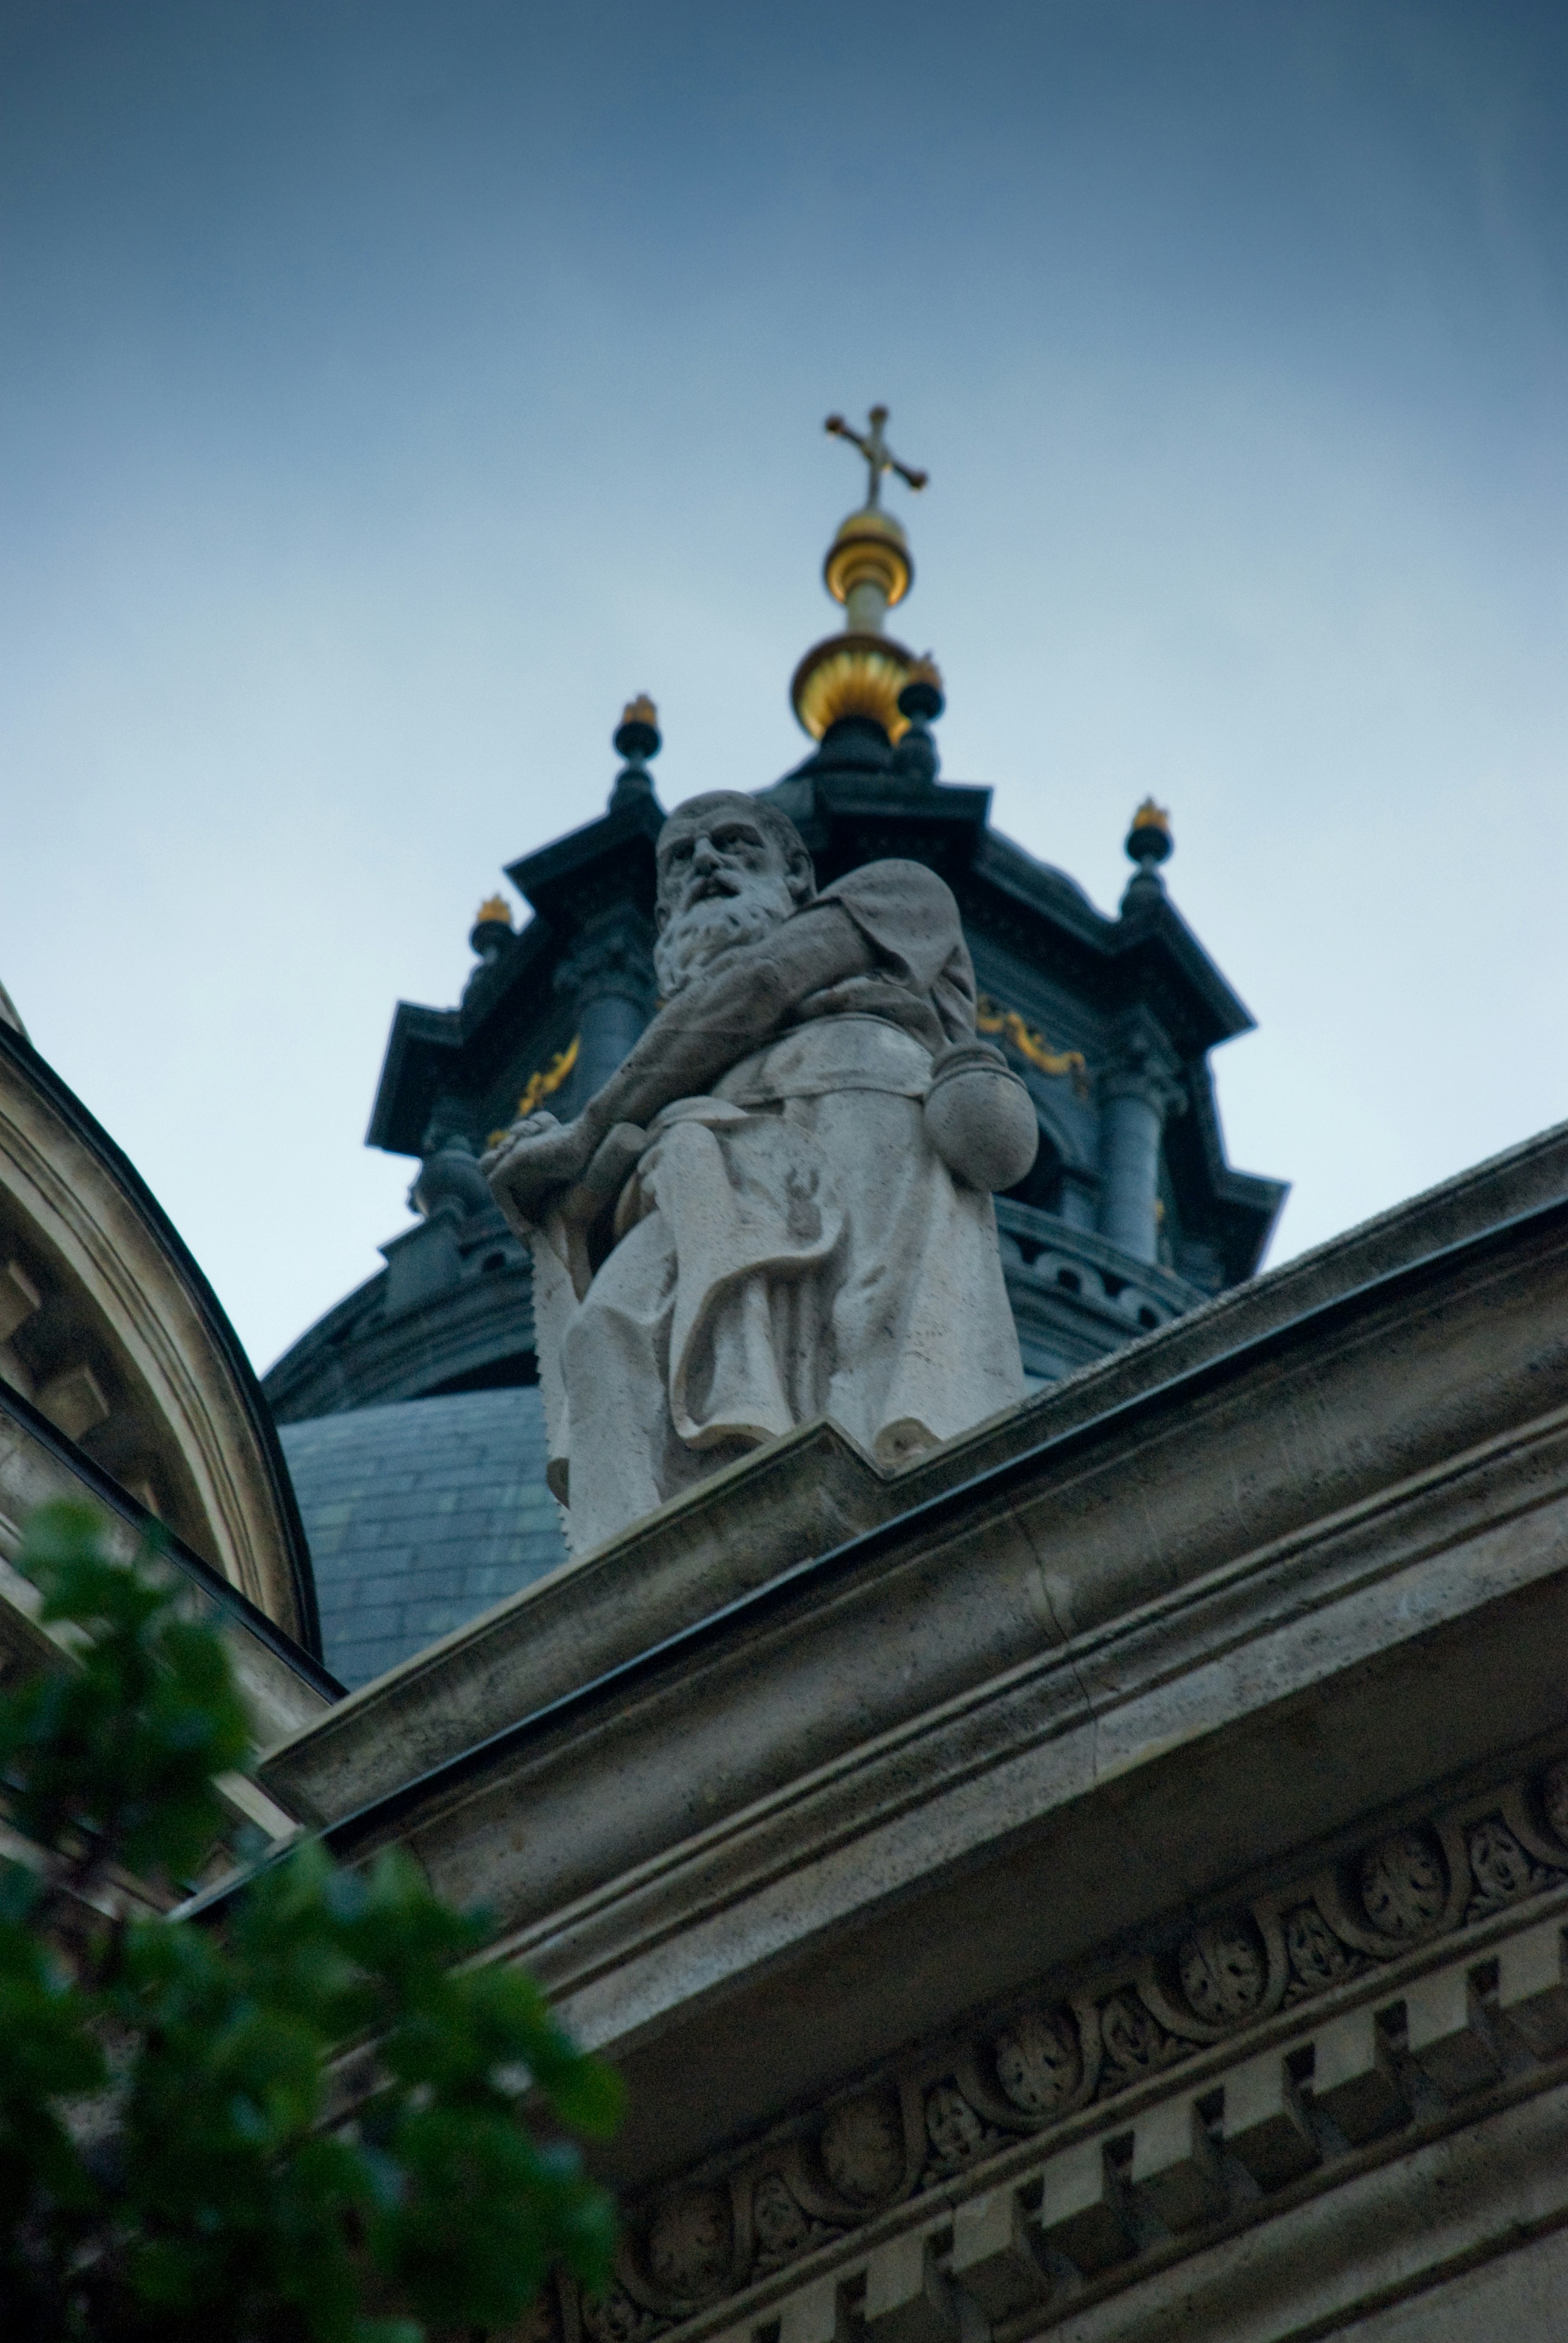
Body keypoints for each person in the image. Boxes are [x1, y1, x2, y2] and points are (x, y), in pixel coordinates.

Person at [483, 792, 1033, 1552]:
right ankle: (637, 1580)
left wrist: (585, 1133)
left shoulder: (900, 893)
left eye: (736, 843)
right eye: (681, 859)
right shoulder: (672, 1061)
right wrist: (557, 1190)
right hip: (707, 1169)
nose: (708, 861)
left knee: (864, 1369)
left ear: (799, 874)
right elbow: (707, 1024)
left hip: (857, 1122)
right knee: (606, 1333)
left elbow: (762, 983)